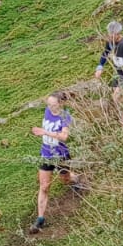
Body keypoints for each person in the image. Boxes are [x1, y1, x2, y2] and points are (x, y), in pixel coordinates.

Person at [29, 91, 81, 233]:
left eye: (53, 105)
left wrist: (45, 132)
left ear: (61, 103)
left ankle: (76, 179)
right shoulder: (47, 111)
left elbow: (64, 137)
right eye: (48, 104)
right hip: (46, 154)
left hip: (60, 155)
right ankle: (40, 219)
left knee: (65, 179)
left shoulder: (65, 116)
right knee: (44, 186)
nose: (50, 107)